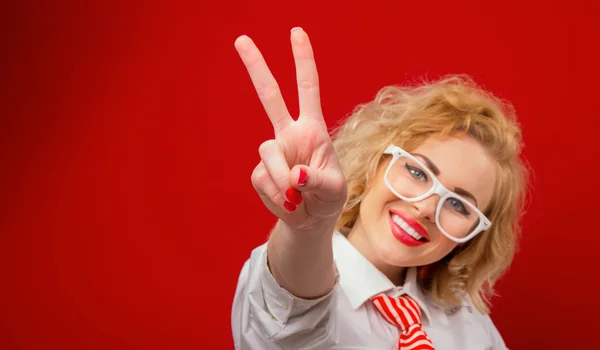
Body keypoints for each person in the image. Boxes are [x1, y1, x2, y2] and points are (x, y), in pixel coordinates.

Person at [231, 27, 528, 350]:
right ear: (374, 161)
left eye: (459, 205)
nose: (426, 208)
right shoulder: (296, 280)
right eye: (417, 171)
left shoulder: (469, 325)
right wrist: (308, 230)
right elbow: (290, 327)